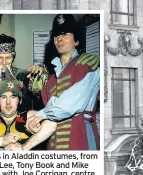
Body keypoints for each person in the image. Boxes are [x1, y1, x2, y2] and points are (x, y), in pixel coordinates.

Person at [26, 14, 100, 151]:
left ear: (76, 41)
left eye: (65, 34)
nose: (59, 39)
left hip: (80, 135)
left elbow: (69, 105)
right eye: (56, 35)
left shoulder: (88, 63)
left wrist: (38, 116)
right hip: (54, 140)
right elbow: (46, 105)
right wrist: (38, 81)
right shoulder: (52, 77)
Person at [0, 34, 46, 115]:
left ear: (13, 58)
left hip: (19, 124)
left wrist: (41, 75)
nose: (4, 62)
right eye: (0, 58)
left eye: (8, 58)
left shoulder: (24, 75)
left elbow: (40, 96)